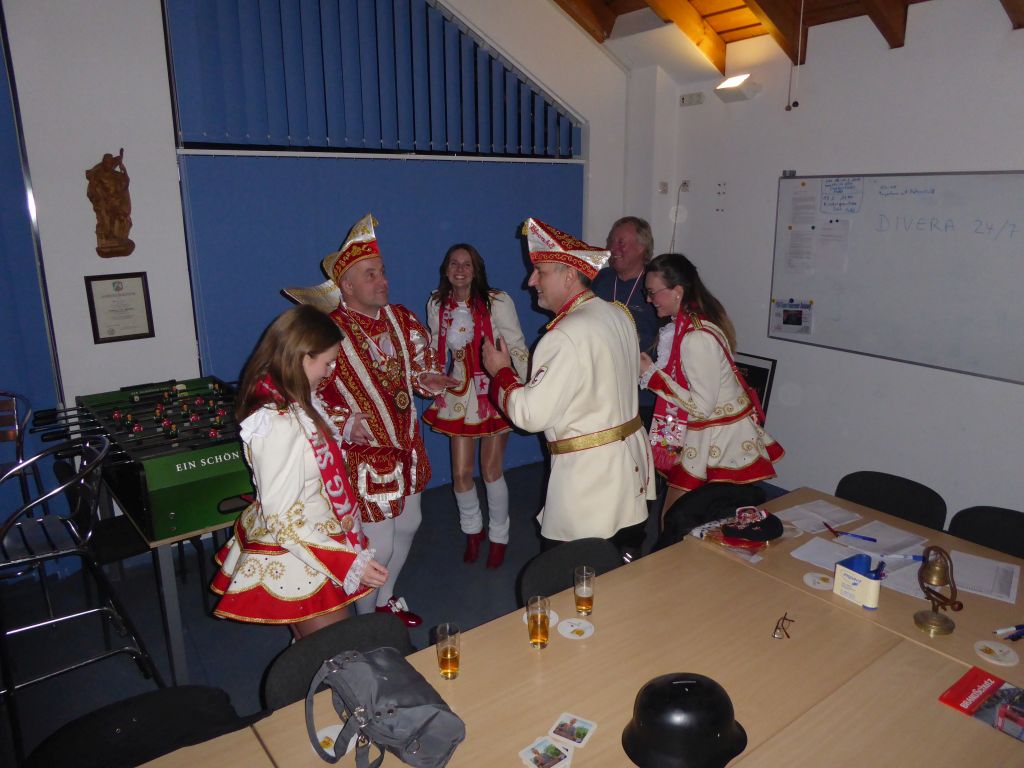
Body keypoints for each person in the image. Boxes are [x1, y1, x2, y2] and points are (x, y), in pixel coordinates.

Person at [284, 214, 455, 627]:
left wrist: (428, 379)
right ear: (346, 286)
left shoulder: (403, 318)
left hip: (407, 445)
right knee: (377, 545)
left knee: (410, 523)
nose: (383, 281)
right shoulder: (328, 331)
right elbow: (309, 391)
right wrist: (345, 423)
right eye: (371, 274)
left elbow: (420, 365)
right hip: (366, 455)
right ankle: (366, 622)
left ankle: (385, 600)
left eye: (383, 272)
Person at [211, 305, 389, 639]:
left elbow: (312, 448)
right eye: (327, 363)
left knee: (318, 649)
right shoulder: (278, 422)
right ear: (302, 357)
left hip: (314, 535)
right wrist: (348, 563)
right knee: (335, 650)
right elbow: (282, 520)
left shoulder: (294, 398)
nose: (330, 371)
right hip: (300, 545)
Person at [482, 218, 654, 553]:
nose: (531, 281)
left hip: (590, 483)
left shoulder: (563, 335)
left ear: (569, 276)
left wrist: (501, 372)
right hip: (630, 469)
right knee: (624, 562)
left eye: (540, 272)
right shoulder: (618, 314)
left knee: (572, 570)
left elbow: (530, 415)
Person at [639, 253, 784, 518]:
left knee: (677, 519)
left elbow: (702, 406)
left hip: (716, 440)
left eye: (652, 292)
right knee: (689, 519)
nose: (648, 299)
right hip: (707, 433)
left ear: (677, 291)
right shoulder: (690, 325)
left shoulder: (695, 337)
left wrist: (651, 376)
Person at [424, 244, 529, 568]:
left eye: (466, 264)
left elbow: (515, 345)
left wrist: (525, 388)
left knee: (492, 470)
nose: (460, 269)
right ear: (446, 269)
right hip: (458, 391)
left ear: (476, 269)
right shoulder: (437, 304)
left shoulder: (497, 301)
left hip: (493, 389)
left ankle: (499, 536)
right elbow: (434, 346)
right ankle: (472, 530)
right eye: (454, 263)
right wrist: (429, 376)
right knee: (460, 473)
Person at [592, 217, 659, 426]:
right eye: (611, 241)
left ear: (642, 247)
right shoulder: (601, 279)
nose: (613, 248)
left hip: (641, 396)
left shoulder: (656, 285)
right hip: (601, 392)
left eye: (621, 242)